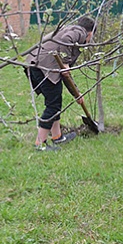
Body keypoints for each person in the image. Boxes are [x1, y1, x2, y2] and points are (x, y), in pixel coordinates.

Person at [26, 16, 95, 151]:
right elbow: (65, 42)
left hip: (37, 65)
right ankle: (39, 144)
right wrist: (65, 62)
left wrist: (76, 93)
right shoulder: (79, 32)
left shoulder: (69, 30)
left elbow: (65, 74)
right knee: (53, 104)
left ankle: (57, 137)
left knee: (56, 100)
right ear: (90, 33)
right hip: (43, 67)